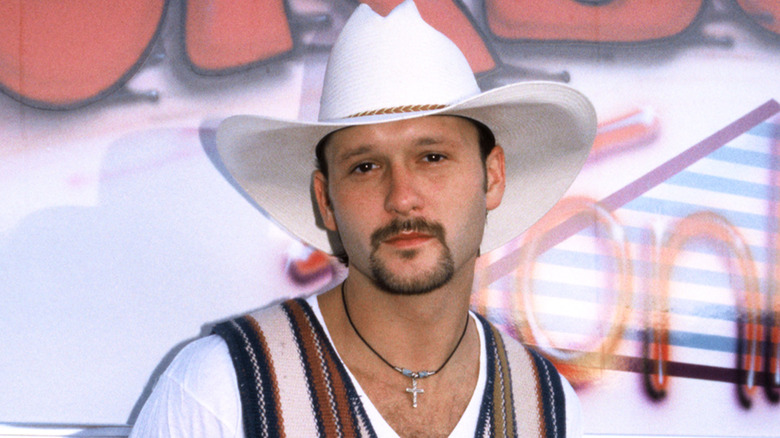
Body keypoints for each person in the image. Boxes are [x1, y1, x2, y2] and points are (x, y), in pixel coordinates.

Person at [130, 1, 596, 437]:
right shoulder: (221, 388)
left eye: (432, 157)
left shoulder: (547, 407)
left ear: (492, 176)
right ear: (326, 200)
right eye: (365, 166)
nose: (402, 197)